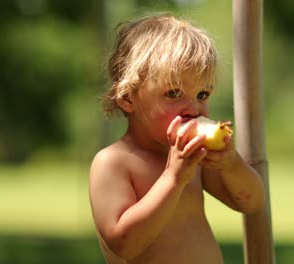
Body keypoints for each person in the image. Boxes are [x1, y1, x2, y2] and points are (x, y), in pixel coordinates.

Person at [89, 14, 265, 264]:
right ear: (128, 98)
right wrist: (173, 178)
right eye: (173, 93)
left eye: (202, 94)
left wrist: (230, 163)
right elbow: (124, 244)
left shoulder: (196, 156)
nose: (193, 108)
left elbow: (251, 201)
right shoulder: (113, 163)